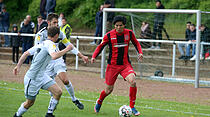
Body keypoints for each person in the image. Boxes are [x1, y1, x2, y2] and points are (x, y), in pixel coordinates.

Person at [13, 26, 73, 117]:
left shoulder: (42, 43)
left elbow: (26, 53)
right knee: (29, 103)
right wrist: (67, 49)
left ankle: (49, 114)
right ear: (57, 35)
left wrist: (18, 66)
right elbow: (54, 56)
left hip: (42, 76)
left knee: (58, 92)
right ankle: (17, 115)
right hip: (32, 78)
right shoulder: (50, 44)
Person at [91, 15, 143, 116]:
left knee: (132, 81)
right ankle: (100, 101)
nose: (118, 27)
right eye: (116, 25)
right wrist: (94, 56)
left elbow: (136, 43)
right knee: (108, 90)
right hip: (112, 66)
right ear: (114, 26)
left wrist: (140, 52)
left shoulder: (129, 33)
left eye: (120, 25)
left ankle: (132, 106)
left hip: (125, 65)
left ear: (124, 25)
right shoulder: (109, 35)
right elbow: (100, 46)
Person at [35, 13, 88, 110]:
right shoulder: (41, 34)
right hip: (47, 64)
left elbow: (69, 45)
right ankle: (51, 109)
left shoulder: (60, 33)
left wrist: (82, 56)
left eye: (57, 22)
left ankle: (74, 99)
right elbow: (36, 51)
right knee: (53, 89)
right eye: (54, 22)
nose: (56, 25)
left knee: (65, 80)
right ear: (48, 23)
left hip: (57, 60)